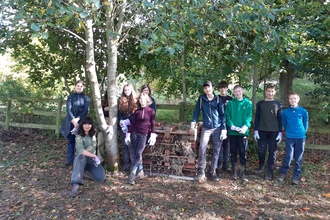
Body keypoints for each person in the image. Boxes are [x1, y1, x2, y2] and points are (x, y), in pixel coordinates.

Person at [190, 80, 227, 182]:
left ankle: (213, 171)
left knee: (216, 150)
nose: (207, 89)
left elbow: (222, 115)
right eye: (205, 88)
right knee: (202, 148)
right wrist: (193, 121)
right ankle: (201, 171)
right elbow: (196, 111)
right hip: (206, 128)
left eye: (208, 87)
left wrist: (223, 129)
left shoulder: (218, 99)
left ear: (213, 88)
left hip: (217, 128)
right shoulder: (201, 99)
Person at [70, 116, 106, 197]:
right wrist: (94, 155)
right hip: (81, 159)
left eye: (89, 124)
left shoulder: (93, 132)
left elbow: (102, 128)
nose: (87, 126)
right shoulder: (79, 135)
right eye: (85, 124)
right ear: (81, 125)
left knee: (101, 178)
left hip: (91, 160)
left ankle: (83, 172)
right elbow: (80, 150)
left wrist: (109, 127)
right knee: (80, 157)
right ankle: (75, 184)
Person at [125, 93, 156, 185]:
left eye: (143, 100)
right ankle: (137, 173)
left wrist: (153, 134)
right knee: (134, 153)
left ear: (147, 100)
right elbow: (133, 124)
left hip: (144, 135)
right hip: (135, 133)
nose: (142, 101)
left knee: (139, 153)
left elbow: (153, 123)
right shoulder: (137, 111)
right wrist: (128, 134)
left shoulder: (151, 111)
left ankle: (132, 174)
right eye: (140, 100)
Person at [278, 93, 308, 185]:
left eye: (294, 98)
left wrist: (302, 132)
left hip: (300, 137)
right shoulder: (285, 112)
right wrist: (289, 132)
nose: (293, 100)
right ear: (288, 100)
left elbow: (305, 123)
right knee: (289, 156)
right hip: (290, 137)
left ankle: (296, 176)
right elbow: (285, 124)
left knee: (298, 157)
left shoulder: (303, 111)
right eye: (291, 99)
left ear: (298, 99)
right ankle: (283, 173)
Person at [254, 83, 283, 180]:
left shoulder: (278, 104)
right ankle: (261, 166)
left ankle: (270, 171)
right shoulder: (260, 103)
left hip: (274, 131)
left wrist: (280, 132)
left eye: (272, 91)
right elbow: (257, 117)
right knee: (261, 150)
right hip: (262, 130)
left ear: (274, 92)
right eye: (268, 91)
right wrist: (256, 130)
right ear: (265, 91)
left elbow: (280, 119)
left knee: (272, 151)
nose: (270, 93)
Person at [60, 80, 90, 167]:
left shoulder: (86, 98)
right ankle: (69, 160)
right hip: (71, 121)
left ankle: (81, 160)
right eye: (78, 86)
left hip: (81, 121)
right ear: (75, 87)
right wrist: (73, 119)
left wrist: (78, 119)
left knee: (81, 141)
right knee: (71, 141)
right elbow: (68, 109)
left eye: (81, 86)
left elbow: (85, 110)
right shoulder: (71, 97)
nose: (79, 87)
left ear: (83, 87)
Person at [225, 85, 252, 182]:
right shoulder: (231, 103)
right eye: (235, 91)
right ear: (233, 92)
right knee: (233, 151)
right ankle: (234, 171)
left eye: (239, 91)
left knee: (242, 151)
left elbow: (249, 116)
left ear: (242, 91)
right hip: (233, 132)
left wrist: (245, 126)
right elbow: (227, 116)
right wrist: (232, 126)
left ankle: (243, 172)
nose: (237, 93)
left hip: (243, 132)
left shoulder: (248, 103)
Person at [118, 83, 137, 171]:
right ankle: (126, 164)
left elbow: (136, 114)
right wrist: (122, 121)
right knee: (124, 146)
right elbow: (119, 113)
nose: (126, 92)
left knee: (131, 146)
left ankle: (133, 165)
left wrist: (129, 121)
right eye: (125, 90)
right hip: (123, 127)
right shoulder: (121, 100)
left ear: (131, 90)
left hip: (132, 127)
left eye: (128, 90)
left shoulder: (135, 101)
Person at [217, 81, 233, 172]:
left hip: (228, 124)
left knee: (227, 144)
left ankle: (226, 163)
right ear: (219, 89)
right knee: (219, 144)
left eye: (224, 87)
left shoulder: (230, 99)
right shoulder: (216, 98)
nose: (223, 89)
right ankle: (219, 162)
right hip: (218, 125)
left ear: (227, 88)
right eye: (221, 88)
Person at [96, 92, 112, 165]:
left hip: (112, 123)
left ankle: (111, 161)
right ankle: (100, 159)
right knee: (100, 142)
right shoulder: (103, 102)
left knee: (111, 143)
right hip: (103, 122)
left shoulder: (117, 102)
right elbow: (100, 113)